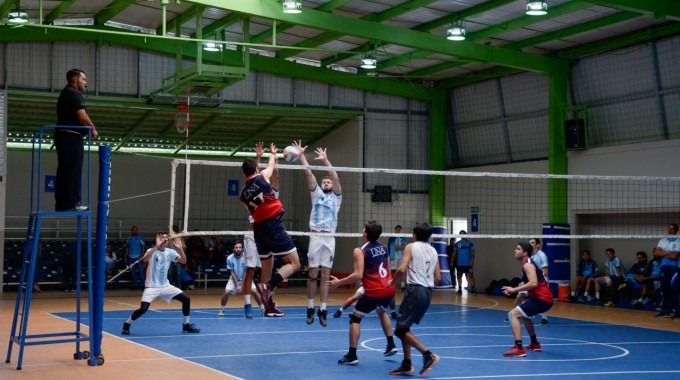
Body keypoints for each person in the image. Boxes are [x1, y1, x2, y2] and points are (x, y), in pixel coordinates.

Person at [239, 142, 300, 318]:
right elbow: (271, 166)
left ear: (244, 173)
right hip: (272, 225)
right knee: (295, 263)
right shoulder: (263, 176)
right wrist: (273, 154)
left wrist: (258, 159)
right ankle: (268, 286)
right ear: (257, 169)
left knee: (266, 268)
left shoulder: (242, 194)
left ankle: (268, 307)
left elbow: (251, 205)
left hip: (258, 229)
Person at [328, 220, 398, 366]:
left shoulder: (360, 250)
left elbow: (358, 275)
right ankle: (391, 344)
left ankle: (352, 355)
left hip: (374, 290)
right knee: (381, 311)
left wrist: (338, 282)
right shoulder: (384, 247)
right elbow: (388, 270)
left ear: (365, 233)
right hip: (388, 287)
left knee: (355, 318)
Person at [292, 140, 342, 328]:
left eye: (328, 181)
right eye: (324, 181)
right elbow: (308, 173)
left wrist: (326, 161)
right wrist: (302, 155)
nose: (327, 182)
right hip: (315, 235)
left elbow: (336, 177)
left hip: (329, 236)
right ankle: (310, 306)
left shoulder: (337, 198)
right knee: (313, 272)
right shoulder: (317, 194)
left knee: (326, 273)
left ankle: (323, 308)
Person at [387, 223, 441, 376]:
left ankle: (428, 355)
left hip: (415, 290)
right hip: (427, 292)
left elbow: (402, 269)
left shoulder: (411, 247)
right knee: (406, 327)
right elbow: (438, 277)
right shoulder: (434, 250)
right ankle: (407, 364)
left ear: (415, 234)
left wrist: (392, 282)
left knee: (400, 330)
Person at [121, 232, 200, 335]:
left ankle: (186, 325)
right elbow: (144, 259)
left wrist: (180, 249)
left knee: (186, 299)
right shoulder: (151, 251)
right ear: (158, 239)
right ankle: (127, 324)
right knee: (143, 309)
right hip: (151, 287)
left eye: (166, 237)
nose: (165, 239)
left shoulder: (170, 252)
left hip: (165, 286)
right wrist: (155, 246)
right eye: (162, 237)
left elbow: (184, 261)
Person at [55, 68, 98, 212]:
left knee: (65, 170)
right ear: (75, 79)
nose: (85, 83)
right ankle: (70, 203)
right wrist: (92, 128)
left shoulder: (66, 93)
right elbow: (82, 116)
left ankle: (63, 203)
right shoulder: (73, 94)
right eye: (83, 79)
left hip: (65, 137)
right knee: (72, 171)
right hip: (70, 138)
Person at [501, 242, 553, 357]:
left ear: (525, 253)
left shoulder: (527, 265)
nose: (515, 250)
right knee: (524, 315)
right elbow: (534, 280)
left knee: (512, 315)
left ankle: (518, 348)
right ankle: (534, 344)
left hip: (542, 298)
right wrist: (522, 284)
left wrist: (514, 289)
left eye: (518, 249)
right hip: (543, 298)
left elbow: (533, 283)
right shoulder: (527, 264)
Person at [218, 241, 264, 318]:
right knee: (226, 292)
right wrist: (237, 285)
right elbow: (232, 272)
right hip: (233, 280)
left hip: (246, 279)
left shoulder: (246, 258)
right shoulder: (229, 258)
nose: (238, 249)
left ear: (242, 249)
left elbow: (247, 272)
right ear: (233, 249)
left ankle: (262, 308)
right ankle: (222, 309)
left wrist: (241, 285)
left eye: (240, 247)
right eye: (236, 247)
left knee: (255, 291)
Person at [653, 223, 680, 318]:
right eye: (669, 228)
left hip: (674, 268)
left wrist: (662, 253)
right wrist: (668, 253)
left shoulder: (678, 240)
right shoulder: (662, 240)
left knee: (675, 289)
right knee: (664, 289)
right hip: (663, 267)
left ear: (676, 230)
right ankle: (665, 311)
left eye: (672, 229)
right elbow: (656, 253)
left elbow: (674, 256)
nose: (670, 230)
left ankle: (678, 312)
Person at [387, 225, 408, 318]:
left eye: (400, 229)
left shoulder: (403, 237)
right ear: (395, 230)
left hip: (401, 257)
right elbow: (393, 247)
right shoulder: (392, 237)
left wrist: (399, 247)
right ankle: (392, 285)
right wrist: (399, 247)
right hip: (393, 257)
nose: (398, 230)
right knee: (393, 271)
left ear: (401, 230)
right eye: (397, 229)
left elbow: (404, 247)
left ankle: (403, 286)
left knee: (402, 271)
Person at [452, 230, 476, 295]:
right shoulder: (457, 244)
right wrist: (452, 261)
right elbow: (454, 253)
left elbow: (473, 254)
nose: (462, 236)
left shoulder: (470, 243)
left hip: (468, 263)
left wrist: (472, 262)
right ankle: (459, 289)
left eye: (463, 234)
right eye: (461, 234)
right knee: (459, 276)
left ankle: (473, 290)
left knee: (471, 276)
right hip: (460, 263)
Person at [125, 225, 146, 289]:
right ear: (131, 231)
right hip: (131, 257)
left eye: (136, 230)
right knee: (133, 272)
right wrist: (125, 257)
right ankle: (135, 284)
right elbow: (127, 248)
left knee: (141, 271)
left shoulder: (140, 238)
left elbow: (143, 247)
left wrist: (142, 256)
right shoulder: (129, 239)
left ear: (137, 231)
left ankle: (143, 284)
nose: (135, 231)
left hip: (139, 257)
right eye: (134, 230)